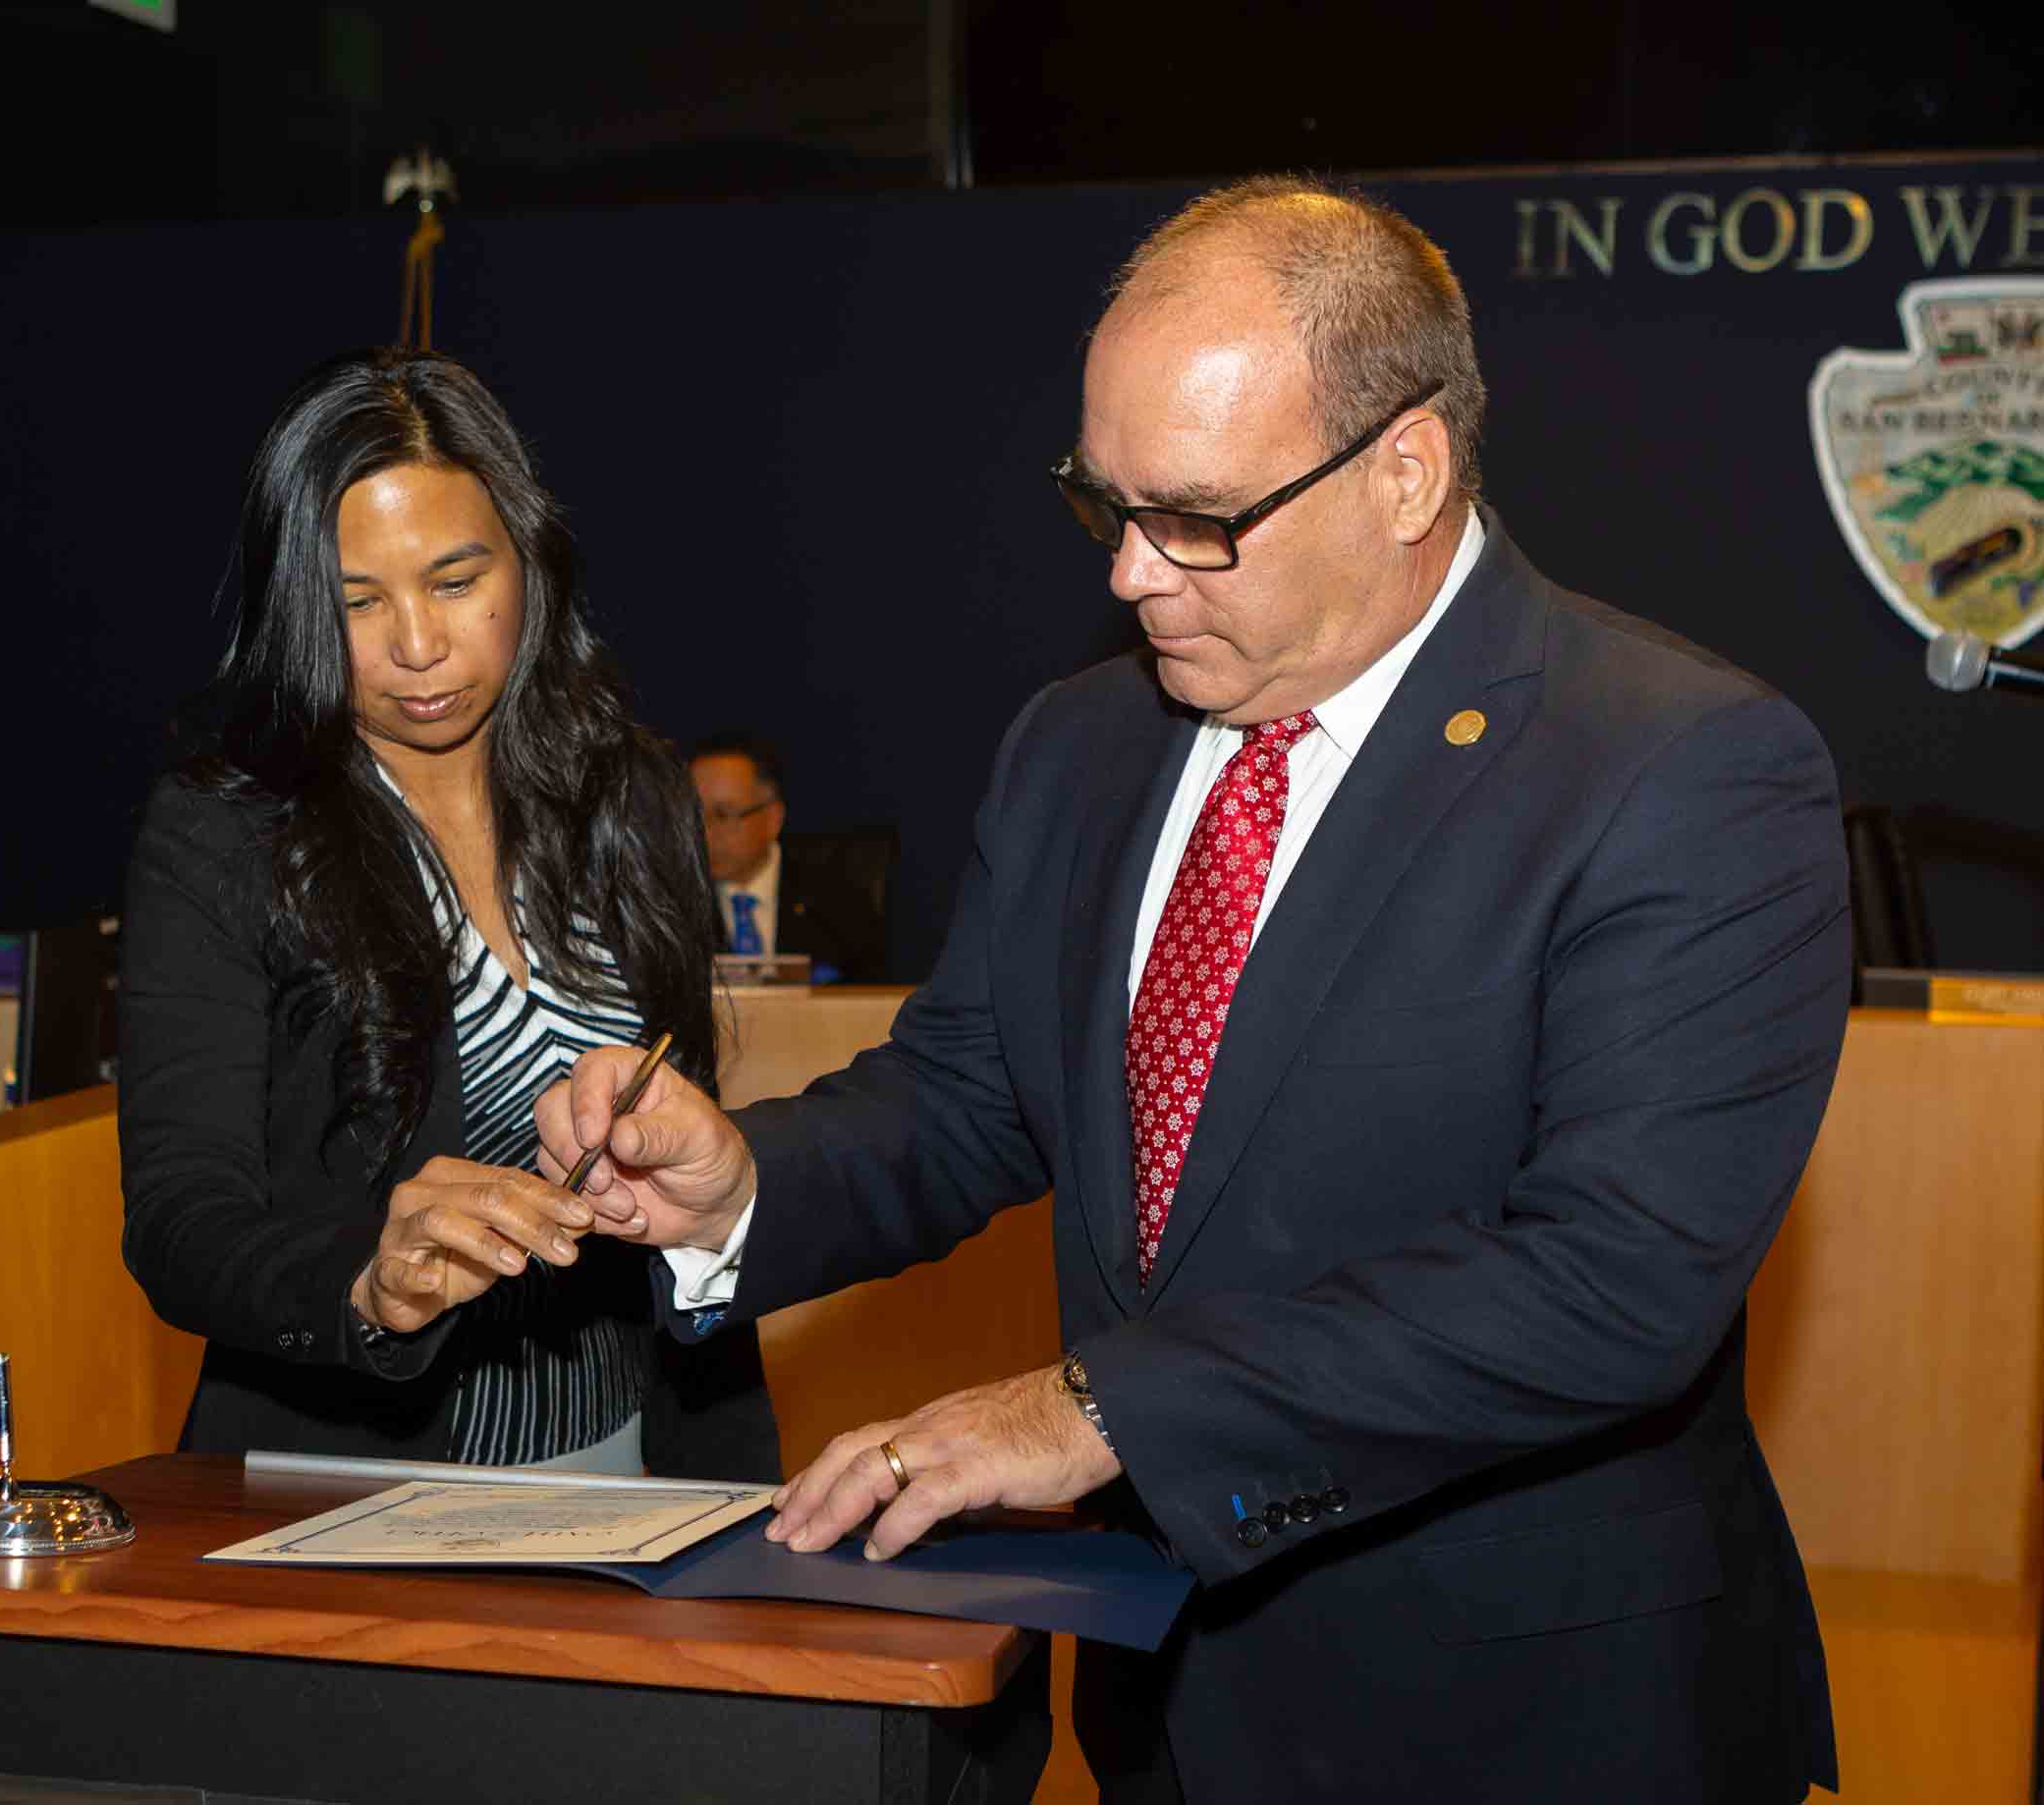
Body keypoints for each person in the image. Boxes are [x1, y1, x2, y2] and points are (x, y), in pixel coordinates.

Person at [536, 178, 1846, 1803]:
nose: (1138, 577)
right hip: (1172, 1695)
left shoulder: (1678, 764)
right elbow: (968, 1092)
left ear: (1407, 471)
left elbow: (1614, 1281)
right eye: (1106, 508)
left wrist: (1101, 1405)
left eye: (1199, 517)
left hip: (1535, 1713)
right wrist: (747, 1182)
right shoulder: (1081, 743)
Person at [119, 347, 777, 1482]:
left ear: (527, 559)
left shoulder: (629, 794)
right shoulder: (226, 830)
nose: (415, 647)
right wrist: (364, 1278)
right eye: (354, 600)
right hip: (353, 1485)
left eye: (456, 581)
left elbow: (685, 1165)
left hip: (632, 1469)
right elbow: (181, 1218)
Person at [689, 732, 888, 982]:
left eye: (722, 814)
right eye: (694, 814)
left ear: (773, 818)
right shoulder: (672, 904)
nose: (704, 831)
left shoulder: (837, 900)